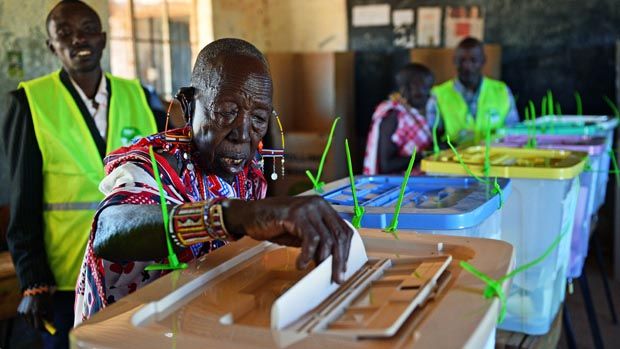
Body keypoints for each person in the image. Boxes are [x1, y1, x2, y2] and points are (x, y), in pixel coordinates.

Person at [74, 38, 353, 325]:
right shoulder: (154, 166)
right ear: (188, 105)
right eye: (226, 112)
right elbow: (110, 229)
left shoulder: (249, 174)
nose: (243, 133)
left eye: (258, 117)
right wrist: (231, 215)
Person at [0, 1, 166, 347]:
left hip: (134, 269)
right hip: (65, 278)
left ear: (103, 38)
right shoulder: (30, 103)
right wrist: (32, 280)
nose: (79, 39)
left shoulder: (140, 96)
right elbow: (23, 202)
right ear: (51, 46)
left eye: (88, 29)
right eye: (65, 33)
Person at [428, 37, 519, 145]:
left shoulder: (501, 91)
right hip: (454, 159)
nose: (467, 66)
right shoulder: (438, 94)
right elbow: (433, 137)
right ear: (454, 61)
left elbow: (513, 132)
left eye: (473, 60)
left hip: (495, 158)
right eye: (461, 60)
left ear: (483, 61)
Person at [363, 63, 434, 175]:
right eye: (423, 88)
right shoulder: (393, 116)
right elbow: (387, 165)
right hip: (398, 187)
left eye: (429, 88)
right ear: (405, 90)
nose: (428, 94)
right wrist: (425, 154)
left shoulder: (416, 113)